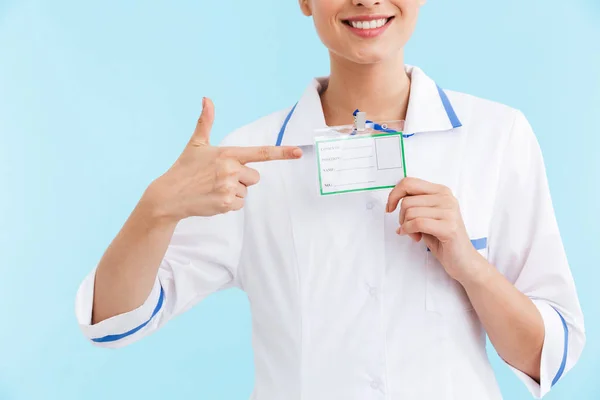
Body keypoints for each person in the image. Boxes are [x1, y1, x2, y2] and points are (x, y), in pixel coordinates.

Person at [75, 0, 585, 398]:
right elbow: (115, 322)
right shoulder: (250, 161)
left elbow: (550, 354)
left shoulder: (497, 136)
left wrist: (470, 266)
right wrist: (156, 207)